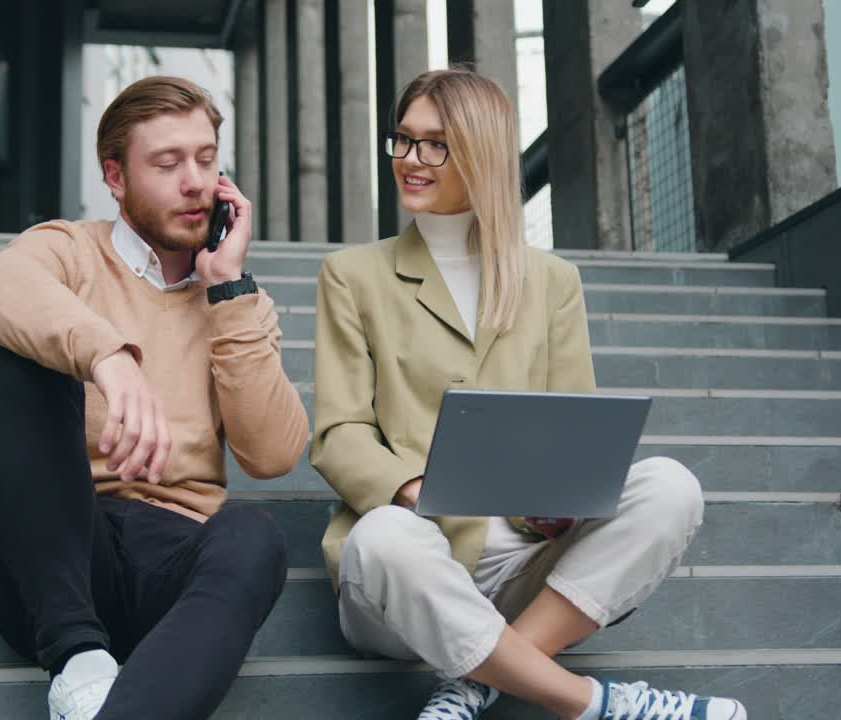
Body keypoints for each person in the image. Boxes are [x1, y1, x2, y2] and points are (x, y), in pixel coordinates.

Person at [310, 68, 748, 720]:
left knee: (671, 487)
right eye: (402, 140)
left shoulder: (551, 281)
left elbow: (575, 428)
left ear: (479, 151)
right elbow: (339, 432)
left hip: (524, 568)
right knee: (382, 539)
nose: (410, 160)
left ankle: (478, 679)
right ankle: (592, 703)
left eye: (436, 144)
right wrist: (417, 491)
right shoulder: (352, 276)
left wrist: (561, 504)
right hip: (408, 575)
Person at [0, 75, 309, 720]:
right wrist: (107, 356)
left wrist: (228, 290)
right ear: (116, 177)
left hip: (171, 568)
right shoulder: (69, 249)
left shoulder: (239, 301)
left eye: (207, 159)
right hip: (56, 560)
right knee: (13, 364)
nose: (195, 182)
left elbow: (273, 454)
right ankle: (77, 661)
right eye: (168, 163)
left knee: (255, 535)